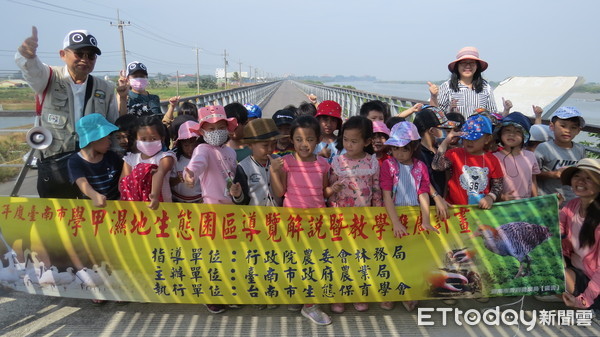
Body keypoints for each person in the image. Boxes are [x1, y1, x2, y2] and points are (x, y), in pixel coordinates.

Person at [16, 27, 119, 198]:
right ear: (63, 54)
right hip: (55, 163)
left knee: (92, 216)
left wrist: (116, 158)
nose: (85, 60)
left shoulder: (106, 88)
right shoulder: (48, 77)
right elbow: (31, 70)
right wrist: (27, 54)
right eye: (79, 54)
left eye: (91, 55)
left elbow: (112, 124)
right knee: (58, 215)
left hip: (93, 163)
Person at [270, 115, 336, 325]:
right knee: (295, 261)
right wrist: (274, 171)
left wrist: (332, 190)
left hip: (317, 221)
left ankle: (310, 305)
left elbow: (323, 193)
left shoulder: (323, 164)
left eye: (309, 139)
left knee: (313, 261)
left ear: (317, 139)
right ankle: (299, 297)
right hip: (292, 220)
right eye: (298, 139)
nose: (304, 144)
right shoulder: (286, 163)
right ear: (291, 140)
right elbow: (280, 192)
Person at [380, 121, 440, 312]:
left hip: (414, 215)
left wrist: (425, 220)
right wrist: (395, 222)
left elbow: (423, 193)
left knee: (412, 258)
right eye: (395, 148)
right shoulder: (388, 165)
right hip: (394, 216)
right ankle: (389, 292)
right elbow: (386, 195)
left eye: (404, 149)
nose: (399, 153)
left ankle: (409, 293)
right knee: (392, 257)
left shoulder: (420, 166)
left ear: (413, 147)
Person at [327, 116, 382, 314]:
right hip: (341, 218)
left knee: (361, 258)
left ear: (367, 142)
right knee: (340, 257)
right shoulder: (337, 161)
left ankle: (359, 293)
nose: (348, 144)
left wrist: (376, 215)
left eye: (354, 140)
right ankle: (339, 295)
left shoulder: (372, 163)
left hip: (363, 220)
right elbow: (330, 189)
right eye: (346, 139)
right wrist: (333, 191)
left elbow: (376, 190)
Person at [432, 114, 503, 209]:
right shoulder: (455, 153)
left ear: (487, 139)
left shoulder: (492, 160)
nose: (469, 141)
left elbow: (498, 185)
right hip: (455, 208)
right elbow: (437, 166)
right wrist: (446, 141)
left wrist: (490, 197)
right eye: (466, 137)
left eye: (474, 138)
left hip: (480, 210)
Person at [558, 159, 600, 311]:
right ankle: (571, 296)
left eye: (589, 177)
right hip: (577, 269)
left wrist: (584, 301)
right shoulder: (572, 205)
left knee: (555, 278)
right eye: (577, 176)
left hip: (595, 281)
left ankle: (584, 304)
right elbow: (557, 230)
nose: (581, 181)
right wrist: (550, 207)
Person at [428, 46, 511, 119]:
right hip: (455, 134)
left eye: (472, 63)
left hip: (479, 135)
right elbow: (436, 115)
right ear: (457, 66)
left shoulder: (486, 87)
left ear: (477, 66)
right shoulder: (447, 86)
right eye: (463, 63)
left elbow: (493, 115)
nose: (468, 66)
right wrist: (433, 97)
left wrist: (506, 110)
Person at [119, 115, 175, 210]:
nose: (148, 142)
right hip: (137, 209)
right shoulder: (130, 159)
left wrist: (154, 195)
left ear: (162, 138)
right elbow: (123, 183)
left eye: (153, 139)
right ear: (136, 139)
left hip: (163, 208)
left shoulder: (166, 157)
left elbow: (159, 173)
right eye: (143, 139)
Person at [68, 113, 123, 207]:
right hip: (91, 209)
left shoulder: (113, 157)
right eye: (108, 139)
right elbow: (81, 181)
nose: (110, 143)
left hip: (116, 208)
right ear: (95, 139)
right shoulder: (75, 161)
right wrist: (94, 195)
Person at [535, 107, 586, 204]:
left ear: (578, 131)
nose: (568, 130)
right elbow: (532, 173)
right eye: (563, 126)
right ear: (552, 126)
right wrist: (552, 174)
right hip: (548, 200)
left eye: (573, 127)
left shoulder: (580, 149)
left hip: (573, 200)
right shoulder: (543, 148)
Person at [229, 118, 285, 206]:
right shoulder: (243, 167)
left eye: (274, 143)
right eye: (265, 145)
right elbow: (242, 201)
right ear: (250, 145)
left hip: (277, 216)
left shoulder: (279, 161)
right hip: (255, 216)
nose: (270, 149)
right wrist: (238, 195)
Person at [492, 112, 540, 200]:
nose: (512, 134)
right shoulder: (494, 157)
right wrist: (501, 197)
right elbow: (490, 184)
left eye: (518, 131)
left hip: (525, 204)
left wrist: (536, 199)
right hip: (501, 206)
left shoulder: (530, 156)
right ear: (500, 134)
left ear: (524, 136)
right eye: (507, 130)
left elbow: (533, 180)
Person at [170, 121, 203, 203]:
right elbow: (168, 183)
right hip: (177, 201)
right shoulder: (175, 159)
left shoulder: (203, 159)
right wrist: (178, 179)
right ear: (180, 145)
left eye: (194, 145)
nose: (191, 149)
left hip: (199, 201)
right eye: (186, 145)